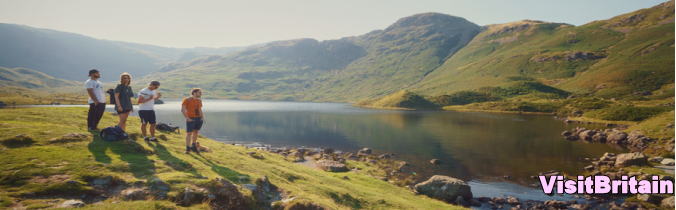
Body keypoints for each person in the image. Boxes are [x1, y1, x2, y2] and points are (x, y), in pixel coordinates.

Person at [182, 88, 204, 154]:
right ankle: (187, 148)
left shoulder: (199, 101)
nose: (201, 94)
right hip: (191, 118)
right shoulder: (187, 100)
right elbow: (183, 109)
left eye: (200, 92)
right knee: (189, 133)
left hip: (198, 119)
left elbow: (200, 110)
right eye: (199, 92)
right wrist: (187, 118)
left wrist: (202, 118)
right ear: (194, 93)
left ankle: (193, 146)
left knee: (196, 132)